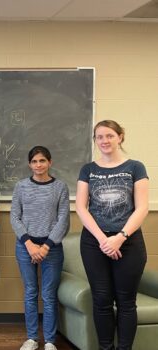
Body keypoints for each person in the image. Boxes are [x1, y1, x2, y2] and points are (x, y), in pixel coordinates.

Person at [75, 120, 148, 350]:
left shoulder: (135, 167)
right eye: (99, 137)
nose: (104, 141)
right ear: (95, 140)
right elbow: (81, 207)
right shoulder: (88, 170)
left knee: (126, 302)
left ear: (120, 137)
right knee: (102, 301)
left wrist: (120, 236)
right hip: (94, 242)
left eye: (109, 136)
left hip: (128, 242)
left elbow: (142, 207)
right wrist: (103, 239)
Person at [10, 146, 70, 350]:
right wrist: (28, 244)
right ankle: (32, 338)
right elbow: (14, 217)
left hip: (51, 248)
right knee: (30, 292)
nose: (38, 165)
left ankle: (51, 341)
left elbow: (63, 220)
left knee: (49, 294)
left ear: (50, 162)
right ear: (29, 164)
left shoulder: (60, 187)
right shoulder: (21, 186)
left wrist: (45, 247)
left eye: (42, 161)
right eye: (34, 161)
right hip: (25, 247)